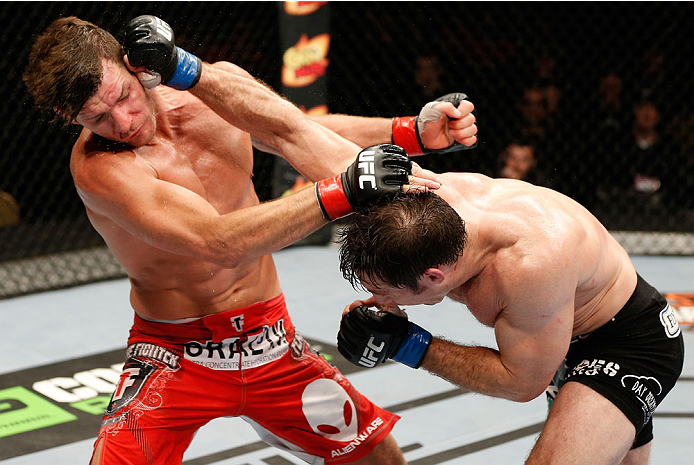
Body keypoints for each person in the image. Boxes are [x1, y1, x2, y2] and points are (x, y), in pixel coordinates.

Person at [22, 15, 478, 465]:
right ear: (70, 117)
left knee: (377, 457)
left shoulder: (214, 92)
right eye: (96, 117)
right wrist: (345, 189)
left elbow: (291, 128)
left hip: (270, 336)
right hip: (176, 352)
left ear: (132, 64)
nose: (122, 122)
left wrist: (410, 132)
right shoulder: (99, 168)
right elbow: (216, 240)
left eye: (123, 96)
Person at [335, 174, 684, 464]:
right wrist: (406, 130)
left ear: (433, 276)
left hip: (627, 343)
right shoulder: (421, 203)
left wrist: (406, 343)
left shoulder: (528, 265)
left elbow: (520, 382)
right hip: (557, 334)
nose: (378, 302)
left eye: (386, 291)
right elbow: (305, 138)